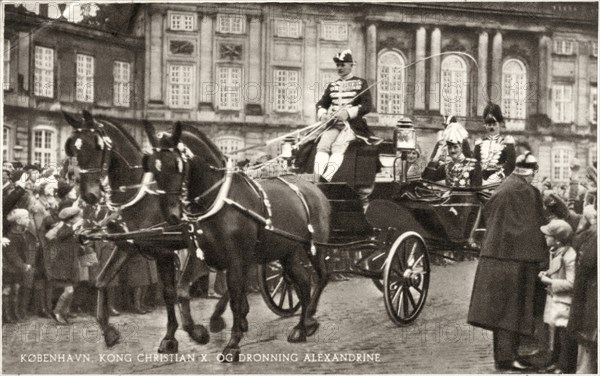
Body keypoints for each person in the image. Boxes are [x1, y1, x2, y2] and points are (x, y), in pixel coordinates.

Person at [467, 152, 547, 371]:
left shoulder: (502, 187)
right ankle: (508, 358)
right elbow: (538, 225)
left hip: (494, 256)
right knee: (513, 311)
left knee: (500, 312)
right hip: (515, 259)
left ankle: (503, 357)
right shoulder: (528, 192)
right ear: (530, 172)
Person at [313, 49, 373, 181]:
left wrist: (347, 113)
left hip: (352, 125)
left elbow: (367, 106)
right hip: (333, 124)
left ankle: (327, 178)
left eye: (343, 65)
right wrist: (323, 115)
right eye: (338, 65)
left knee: (338, 147)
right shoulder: (332, 85)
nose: (339, 68)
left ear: (351, 65)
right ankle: (316, 179)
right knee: (322, 146)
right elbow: (321, 104)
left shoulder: (361, 83)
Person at [538, 219, 577, 373]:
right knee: (557, 332)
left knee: (563, 333)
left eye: (548, 236)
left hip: (565, 301)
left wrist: (549, 281)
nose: (545, 238)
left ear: (558, 240)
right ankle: (555, 361)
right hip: (557, 299)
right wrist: (547, 273)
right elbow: (556, 269)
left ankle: (564, 365)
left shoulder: (569, 256)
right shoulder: (556, 252)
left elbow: (571, 283)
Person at [46, 206, 84, 325]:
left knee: (70, 290)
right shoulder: (64, 228)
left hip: (70, 264)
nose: (79, 218)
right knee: (69, 290)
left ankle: (63, 313)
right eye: (77, 217)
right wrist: (75, 227)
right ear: (70, 219)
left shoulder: (70, 229)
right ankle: (57, 312)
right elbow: (62, 235)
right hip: (63, 265)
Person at [3, 209, 35, 323]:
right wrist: (23, 266)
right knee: (7, 291)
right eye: (26, 218)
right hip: (10, 269)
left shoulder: (22, 234)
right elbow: (12, 255)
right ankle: (6, 315)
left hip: (18, 269)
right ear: (18, 221)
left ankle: (14, 314)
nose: (28, 220)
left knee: (16, 290)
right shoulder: (11, 236)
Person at [474, 103, 516, 184]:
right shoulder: (479, 143)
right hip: (481, 179)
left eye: (494, 124)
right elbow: (476, 162)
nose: (491, 127)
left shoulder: (507, 141)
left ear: (499, 124)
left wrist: (499, 175)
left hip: (499, 180)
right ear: (485, 126)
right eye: (489, 124)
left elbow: (511, 163)